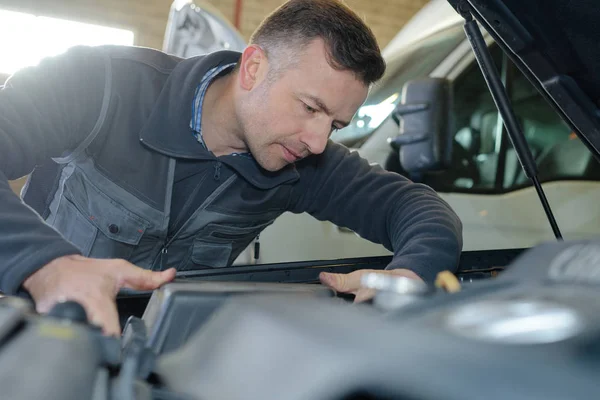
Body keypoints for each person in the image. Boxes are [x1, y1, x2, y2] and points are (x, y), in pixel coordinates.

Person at [0, 0, 462, 336]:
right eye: (309, 107)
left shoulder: (302, 160)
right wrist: (48, 266)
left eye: (335, 124)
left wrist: (412, 274)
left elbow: (418, 208)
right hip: (38, 337)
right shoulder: (97, 85)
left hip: (163, 357)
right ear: (254, 68)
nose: (318, 140)